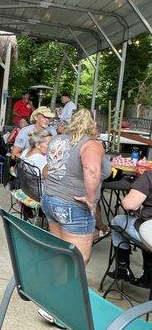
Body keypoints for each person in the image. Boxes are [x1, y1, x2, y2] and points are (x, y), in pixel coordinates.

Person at [42, 108, 111, 265]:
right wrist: (91, 200)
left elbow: (48, 169)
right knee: (79, 259)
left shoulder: (56, 139)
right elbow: (92, 171)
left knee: (60, 252)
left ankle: (56, 287)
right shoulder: (91, 144)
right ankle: (70, 288)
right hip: (73, 204)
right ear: (92, 123)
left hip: (50, 199)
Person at [108, 170, 152, 287]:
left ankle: (122, 268)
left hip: (149, 231)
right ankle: (148, 275)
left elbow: (130, 204)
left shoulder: (149, 176)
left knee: (117, 221)